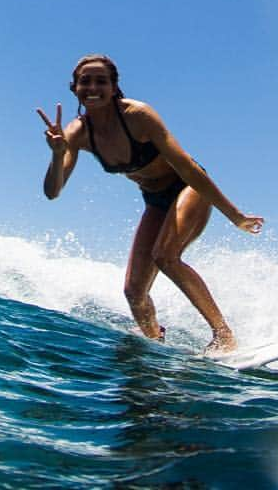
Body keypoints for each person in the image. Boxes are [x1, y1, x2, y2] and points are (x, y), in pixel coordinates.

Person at [37, 54, 263, 353]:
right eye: (85, 81)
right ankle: (154, 339)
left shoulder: (138, 116)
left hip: (188, 187)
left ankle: (224, 336)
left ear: (115, 86)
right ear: (74, 88)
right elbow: (52, 192)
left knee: (165, 256)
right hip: (155, 201)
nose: (93, 87)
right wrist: (57, 153)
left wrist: (234, 215)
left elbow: (187, 168)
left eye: (101, 81)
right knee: (133, 291)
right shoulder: (77, 133)